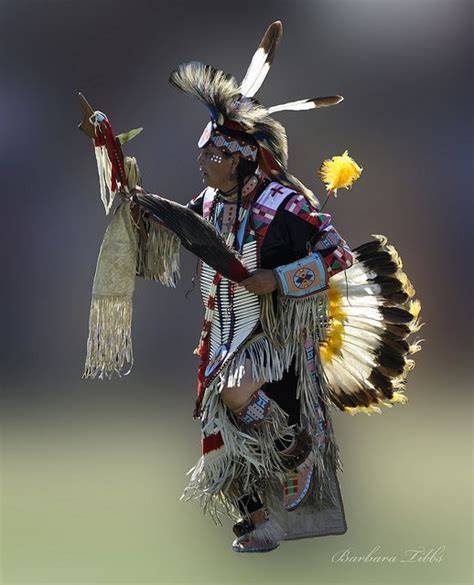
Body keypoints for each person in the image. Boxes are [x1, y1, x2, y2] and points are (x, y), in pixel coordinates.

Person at [83, 21, 422, 554]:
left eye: (213, 156)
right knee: (220, 432)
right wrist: (134, 199)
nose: (203, 164)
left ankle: (293, 443)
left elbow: (333, 255)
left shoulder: (285, 207)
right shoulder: (213, 204)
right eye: (204, 155)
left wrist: (278, 278)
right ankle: (259, 521)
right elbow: (181, 232)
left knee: (236, 392)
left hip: (278, 333)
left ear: (242, 159)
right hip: (225, 331)